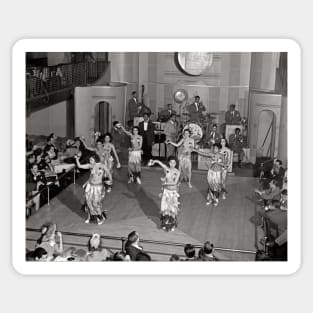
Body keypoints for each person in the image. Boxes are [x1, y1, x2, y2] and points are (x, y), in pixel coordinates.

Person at [74, 153, 112, 224]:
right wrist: (77, 159)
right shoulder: (90, 166)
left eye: (91, 160)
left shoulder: (101, 166)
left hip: (98, 187)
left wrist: (110, 182)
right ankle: (92, 216)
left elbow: (108, 173)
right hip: (90, 186)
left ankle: (100, 217)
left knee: (95, 203)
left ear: (95, 160)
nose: (90, 161)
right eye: (89, 160)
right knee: (88, 202)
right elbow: (79, 166)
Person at [149, 157, 181, 232]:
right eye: (171, 162)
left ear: (176, 163)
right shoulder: (167, 169)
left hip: (173, 193)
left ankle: (172, 224)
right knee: (165, 209)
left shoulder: (177, 172)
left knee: (172, 210)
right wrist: (155, 161)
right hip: (166, 192)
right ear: (169, 163)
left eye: (174, 163)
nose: (172, 164)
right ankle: (164, 224)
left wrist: (165, 183)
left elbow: (175, 183)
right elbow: (160, 163)